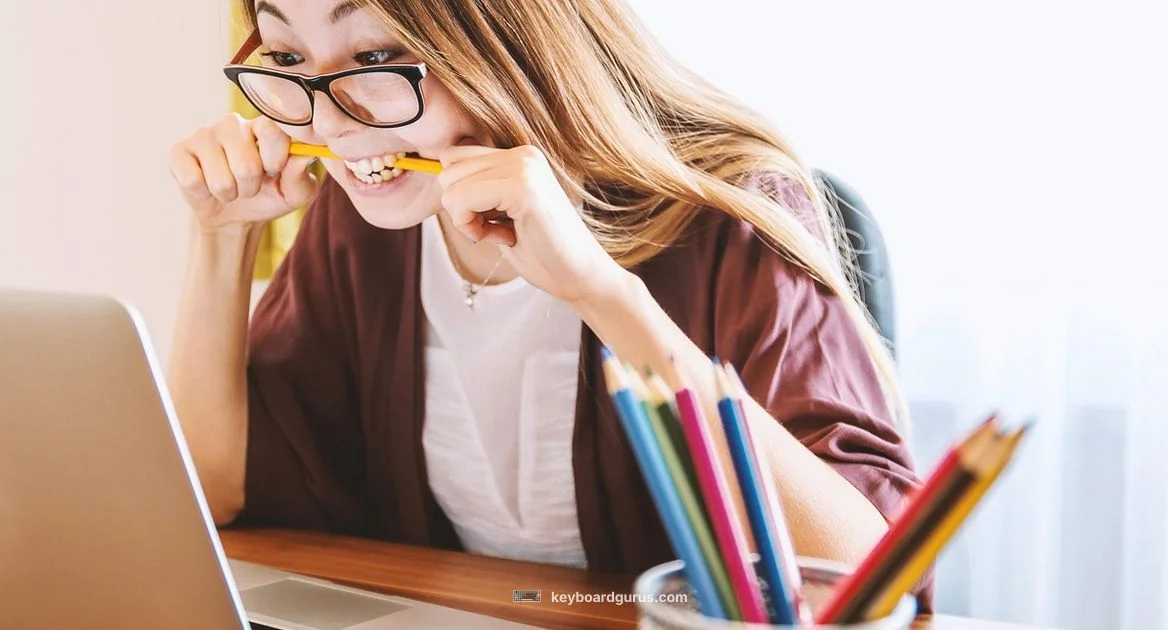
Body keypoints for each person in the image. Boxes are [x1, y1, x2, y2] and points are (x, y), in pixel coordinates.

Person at [167, 0, 930, 610]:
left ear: (509, 39)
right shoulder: (366, 220)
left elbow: (869, 577)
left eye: (375, 57)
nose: (328, 123)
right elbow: (215, 493)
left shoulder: (729, 214)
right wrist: (220, 238)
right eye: (287, 58)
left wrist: (599, 293)